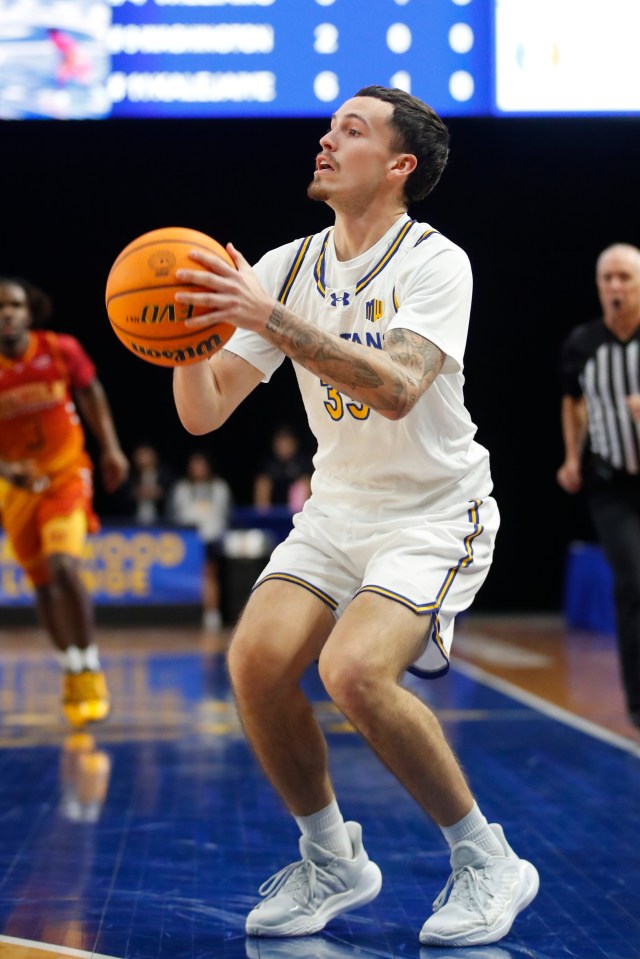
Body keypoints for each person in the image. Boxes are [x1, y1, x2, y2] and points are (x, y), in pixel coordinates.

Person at [171, 85, 539, 947]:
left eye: (352, 129)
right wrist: (183, 343)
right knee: (257, 661)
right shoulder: (284, 266)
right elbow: (205, 409)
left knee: (355, 671)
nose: (326, 139)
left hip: (436, 511)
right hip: (337, 508)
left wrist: (271, 321)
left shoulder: (435, 261)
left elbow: (399, 388)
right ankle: (333, 858)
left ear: (399, 165)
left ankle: (488, 859)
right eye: (329, 125)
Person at [0, 277, 129, 727]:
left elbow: (91, 392)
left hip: (66, 475)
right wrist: (4, 469)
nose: (8, 313)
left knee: (63, 568)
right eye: (0, 307)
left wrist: (110, 448)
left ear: (29, 311)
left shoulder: (59, 349)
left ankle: (89, 664)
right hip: (15, 488)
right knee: (40, 585)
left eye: (14, 305)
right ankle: (69, 668)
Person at [557, 243, 640, 731]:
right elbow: (573, 402)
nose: (616, 287)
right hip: (610, 482)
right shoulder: (582, 344)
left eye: (625, 278)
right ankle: (637, 703)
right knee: (632, 583)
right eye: (608, 278)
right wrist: (571, 456)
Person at [168, 449, 233, 630]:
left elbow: (222, 515)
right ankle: (186, 614)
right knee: (187, 576)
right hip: (188, 540)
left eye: (201, 464)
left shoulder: (219, 487)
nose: (197, 468)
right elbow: (178, 515)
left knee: (209, 575)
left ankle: (211, 613)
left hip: (210, 538)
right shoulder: (182, 488)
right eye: (194, 465)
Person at [253, 424, 312, 512]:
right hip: (272, 510)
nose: (283, 445)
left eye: (286, 441)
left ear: (294, 443)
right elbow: (262, 486)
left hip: (295, 510)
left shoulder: (302, 463)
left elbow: (307, 486)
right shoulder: (268, 463)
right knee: (262, 483)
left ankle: (300, 516)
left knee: (304, 484)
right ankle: (263, 518)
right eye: (280, 442)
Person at [121, 441, 174, 524]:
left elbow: (172, 496)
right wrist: (135, 493)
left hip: (163, 522)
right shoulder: (130, 476)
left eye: (145, 454)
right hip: (132, 521)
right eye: (139, 454)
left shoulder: (165, 475)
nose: (142, 458)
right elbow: (122, 498)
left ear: (154, 456)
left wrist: (159, 493)